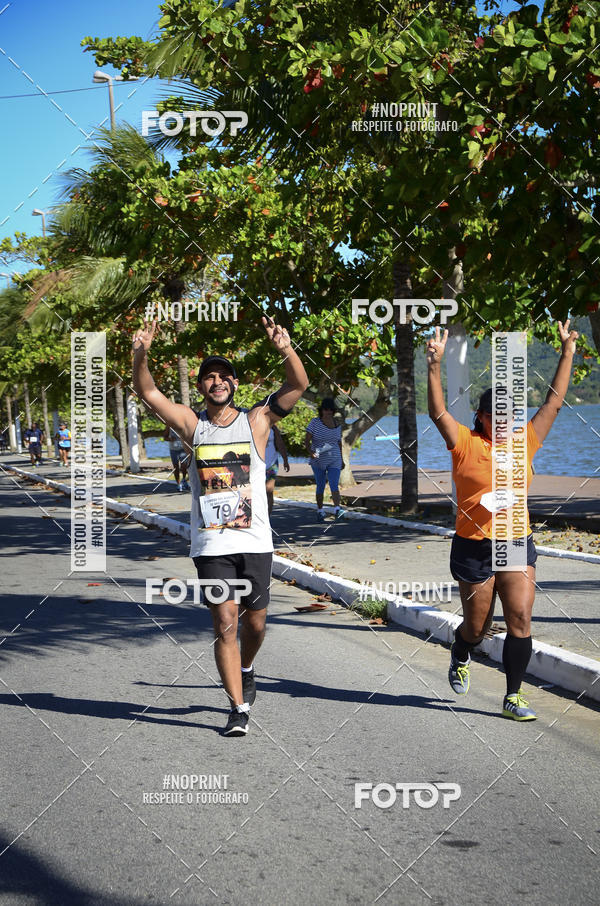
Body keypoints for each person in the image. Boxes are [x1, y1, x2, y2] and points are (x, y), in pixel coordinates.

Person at [133, 316, 308, 736]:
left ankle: (247, 667)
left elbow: (298, 385)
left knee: (256, 623)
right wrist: (140, 354)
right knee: (225, 622)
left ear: (234, 383)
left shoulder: (257, 422)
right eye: (209, 377)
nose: (217, 382)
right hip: (211, 546)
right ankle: (238, 708)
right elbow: (148, 391)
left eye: (223, 376)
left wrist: (285, 348)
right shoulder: (194, 426)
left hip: (255, 541)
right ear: (202, 388)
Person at [426, 321, 579, 721]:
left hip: (514, 541)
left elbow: (555, 402)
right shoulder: (465, 443)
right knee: (477, 628)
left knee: (520, 619)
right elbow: (437, 411)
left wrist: (567, 351)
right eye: (498, 414)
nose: (508, 419)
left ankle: (513, 696)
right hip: (473, 545)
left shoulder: (524, 440)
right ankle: (461, 650)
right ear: (481, 416)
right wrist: (433, 365)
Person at [305, 398, 344, 522]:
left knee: (334, 483)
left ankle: (337, 508)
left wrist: (342, 459)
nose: (328, 412)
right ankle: (320, 510)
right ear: (321, 410)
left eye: (331, 410)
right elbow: (307, 440)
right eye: (326, 409)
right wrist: (310, 452)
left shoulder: (337, 424)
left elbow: (339, 443)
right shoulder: (315, 423)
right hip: (318, 458)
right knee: (320, 484)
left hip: (334, 458)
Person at [265, 425, 290, 515]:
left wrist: (285, 460)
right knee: (257, 492)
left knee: (269, 490)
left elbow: (280, 444)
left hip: (272, 464)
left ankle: (267, 518)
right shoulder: (252, 425)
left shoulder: (273, 427)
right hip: (257, 465)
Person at [163, 425, 190, 491]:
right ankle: (178, 484)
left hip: (183, 449)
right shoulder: (169, 426)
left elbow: (189, 435)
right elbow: (165, 437)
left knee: (184, 466)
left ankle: (184, 480)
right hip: (173, 449)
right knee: (176, 467)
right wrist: (170, 439)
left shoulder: (183, 425)